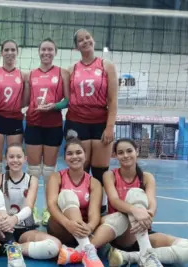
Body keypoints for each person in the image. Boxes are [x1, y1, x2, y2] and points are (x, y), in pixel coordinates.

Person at [87, 138, 188, 267]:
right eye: (121, 152)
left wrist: (149, 214)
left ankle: (130, 256)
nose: (125, 155)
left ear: (137, 152)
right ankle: (146, 256)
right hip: (119, 231)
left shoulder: (146, 177)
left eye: (129, 151)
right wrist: (136, 210)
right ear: (115, 156)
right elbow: (114, 201)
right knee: (135, 194)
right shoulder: (110, 175)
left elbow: (152, 202)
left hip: (141, 230)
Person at [0, 143, 61, 266]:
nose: (15, 160)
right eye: (11, 157)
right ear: (5, 159)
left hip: (24, 229)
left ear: (25, 159)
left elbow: (29, 207)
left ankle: (2, 249)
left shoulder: (32, 180)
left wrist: (14, 219)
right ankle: (11, 248)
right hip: (0, 229)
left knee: (55, 245)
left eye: (19, 157)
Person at [66, 28, 118, 213]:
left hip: (100, 122)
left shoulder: (106, 66)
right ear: (76, 46)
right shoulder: (72, 69)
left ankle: (101, 207)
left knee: (100, 169)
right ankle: (81, 204)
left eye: (88, 37)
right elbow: (65, 98)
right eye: (81, 40)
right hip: (76, 121)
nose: (85, 41)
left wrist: (110, 126)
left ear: (93, 40)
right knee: (81, 166)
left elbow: (112, 100)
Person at [24, 38, 70, 225]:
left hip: (53, 124)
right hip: (34, 123)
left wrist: (54, 106)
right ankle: (32, 209)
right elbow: (26, 100)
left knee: (49, 172)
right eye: (43, 49)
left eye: (50, 49)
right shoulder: (30, 75)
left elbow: (67, 100)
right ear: (38, 51)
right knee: (33, 171)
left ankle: (49, 210)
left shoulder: (63, 73)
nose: (46, 53)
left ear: (55, 52)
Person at [46, 136, 104, 267]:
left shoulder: (94, 182)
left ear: (85, 155)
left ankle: (80, 251)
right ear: (65, 158)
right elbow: (51, 206)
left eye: (78, 152)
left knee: (110, 220)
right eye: (70, 153)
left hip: (84, 230)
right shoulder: (56, 177)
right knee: (67, 194)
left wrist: (89, 227)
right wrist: (68, 224)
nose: (74, 156)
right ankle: (89, 251)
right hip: (61, 227)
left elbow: (94, 213)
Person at [0, 39, 27, 179]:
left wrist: (15, 108)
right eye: (6, 50)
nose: (10, 53)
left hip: (15, 119)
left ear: (17, 52)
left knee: (14, 160)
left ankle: (11, 192)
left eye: (13, 50)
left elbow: (26, 99)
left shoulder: (23, 75)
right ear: (1, 53)